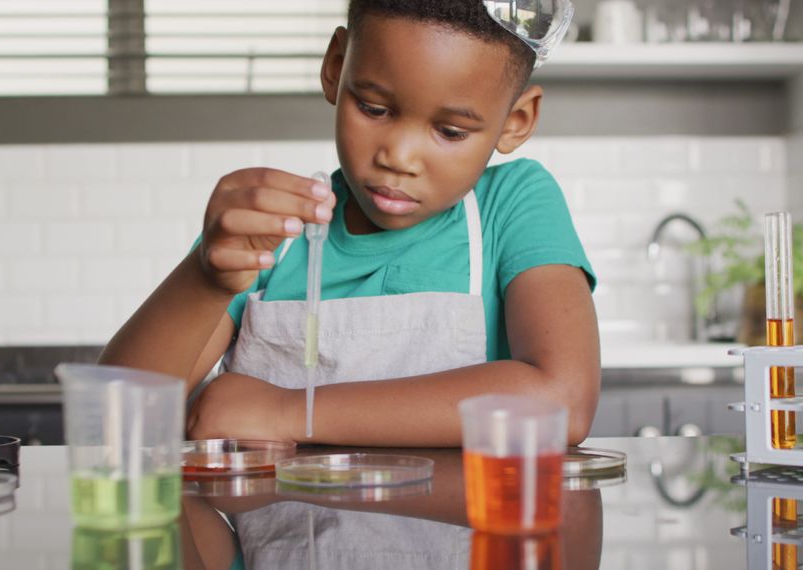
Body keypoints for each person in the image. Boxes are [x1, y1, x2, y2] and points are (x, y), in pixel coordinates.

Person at [99, 0, 600, 447]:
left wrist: (289, 413)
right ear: (336, 68)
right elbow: (115, 419)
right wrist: (205, 280)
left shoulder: (512, 206)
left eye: (449, 131)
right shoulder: (272, 229)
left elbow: (562, 402)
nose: (398, 157)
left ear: (516, 121)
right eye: (374, 108)